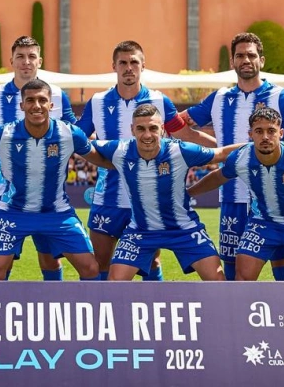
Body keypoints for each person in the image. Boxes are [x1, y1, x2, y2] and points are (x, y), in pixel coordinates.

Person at [0, 79, 111, 281]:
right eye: (30, 100)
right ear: (21, 105)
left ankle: (72, 303)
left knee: (90, 268)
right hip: (13, 211)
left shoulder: (69, 133)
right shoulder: (4, 134)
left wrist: (133, 161)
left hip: (56, 212)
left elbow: (101, 159)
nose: (36, 105)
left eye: (42, 100)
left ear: (51, 105)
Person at [180, 32, 284, 281]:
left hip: (273, 196)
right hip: (232, 194)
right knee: (233, 265)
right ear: (232, 62)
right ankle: (236, 308)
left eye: (251, 55)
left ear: (261, 60)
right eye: (240, 56)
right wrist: (218, 149)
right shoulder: (219, 98)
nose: (246, 60)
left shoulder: (280, 95)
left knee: (281, 260)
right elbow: (179, 124)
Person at [77, 40, 217, 281]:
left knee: (151, 261)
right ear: (114, 66)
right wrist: (107, 160)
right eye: (123, 62)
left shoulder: (160, 101)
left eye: (134, 62)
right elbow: (79, 140)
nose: (128, 68)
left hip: (150, 200)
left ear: (143, 66)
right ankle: (107, 306)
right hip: (108, 197)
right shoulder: (97, 102)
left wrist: (227, 149)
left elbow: (186, 134)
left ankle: (152, 305)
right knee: (101, 261)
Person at [0, 35, 78, 281]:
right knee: (0, 263)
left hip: (49, 196)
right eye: (20, 56)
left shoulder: (57, 95)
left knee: (50, 257)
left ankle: (53, 300)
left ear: (40, 61)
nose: (26, 62)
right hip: (6, 193)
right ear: (11, 61)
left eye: (31, 57)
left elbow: (75, 133)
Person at [94, 104, 240, 281]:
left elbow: (221, 153)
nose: (147, 135)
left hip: (184, 230)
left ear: (162, 129)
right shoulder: (120, 150)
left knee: (217, 281)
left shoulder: (180, 151)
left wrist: (256, 145)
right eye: (140, 129)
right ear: (132, 130)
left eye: (153, 128)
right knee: (114, 284)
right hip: (141, 231)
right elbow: (85, 147)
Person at [188, 107, 284, 281]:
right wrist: (188, 193)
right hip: (263, 222)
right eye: (259, 131)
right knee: (243, 278)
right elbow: (218, 177)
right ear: (251, 134)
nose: (265, 137)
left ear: (281, 133)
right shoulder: (240, 157)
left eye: (271, 131)